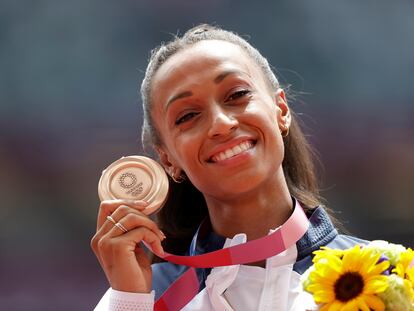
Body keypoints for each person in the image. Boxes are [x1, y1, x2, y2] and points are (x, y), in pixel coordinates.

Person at [91, 24, 365, 310]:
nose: (221, 124)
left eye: (237, 95)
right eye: (188, 116)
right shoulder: (140, 297)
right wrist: (130, 301)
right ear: (169, 159)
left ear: (281, 111)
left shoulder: (383, 275)